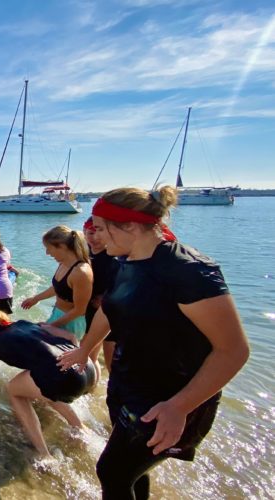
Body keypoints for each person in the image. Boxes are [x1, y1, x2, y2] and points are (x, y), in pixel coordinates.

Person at [58, 186, 249, 500]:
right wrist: (84, 349)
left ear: (131, 226)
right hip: (129, 386)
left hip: (172, 400)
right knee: (132, 471)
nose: (96, 237)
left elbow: (233, 350)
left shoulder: (188, 271)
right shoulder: (127, 261)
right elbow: (110, 308)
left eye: (102, 228)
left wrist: (179, 406)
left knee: (112, 471)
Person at [0, 309, 96, 458]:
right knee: (43, 384)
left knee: (13, 390)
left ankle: (44, 454)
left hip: (65, 377)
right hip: (86, 368)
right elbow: (71, 337)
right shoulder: (23, 324)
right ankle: (79, 427)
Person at [21, 225, 93, 340]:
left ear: (62, 246)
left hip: (71, 322)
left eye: (48, 248)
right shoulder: (63, 263)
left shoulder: (81, 272)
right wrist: (36, 298)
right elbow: (57, 287)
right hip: (57, 315)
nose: (47, 253)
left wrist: (51, 326)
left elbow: (80, 310)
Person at [83, 216, 118, 370]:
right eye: (90, 233)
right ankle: (92, 389)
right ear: (84, 232)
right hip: (89, 312)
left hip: (108, 314)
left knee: (111, 361)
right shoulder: (84, 252)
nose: (94, 238)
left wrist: (107, 298)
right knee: (91, 356)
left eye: (99, 233)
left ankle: (112, 391)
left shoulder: (114, 256)